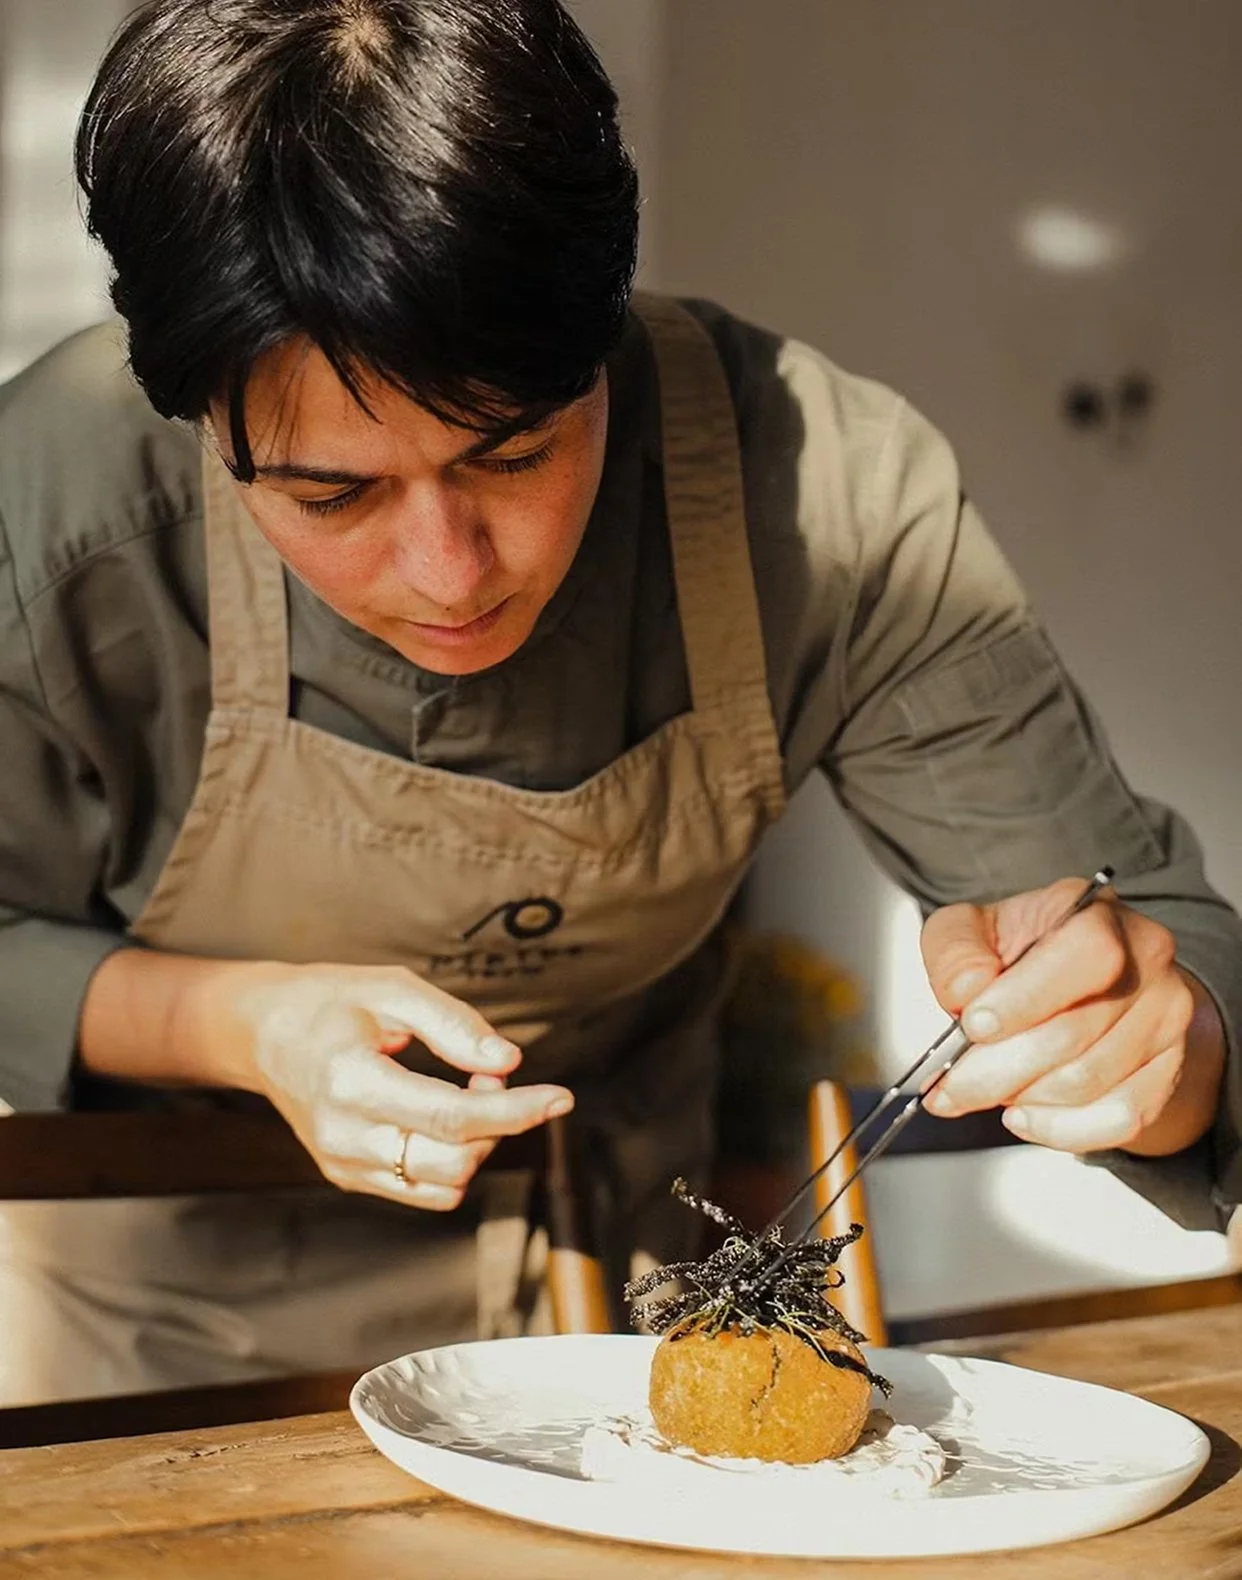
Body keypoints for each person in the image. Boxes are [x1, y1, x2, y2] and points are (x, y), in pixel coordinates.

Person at [0, 0, 1236, 1402]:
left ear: (608, 335)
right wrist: (230, 1025)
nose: (448, 571)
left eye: (515, 452)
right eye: (333, 494)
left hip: (634, 1331)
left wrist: (1155, 1036)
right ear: (195, 415)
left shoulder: (820, 492)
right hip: (153, 1350)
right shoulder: (51, 518)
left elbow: (1140, 923)